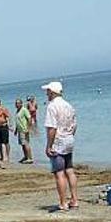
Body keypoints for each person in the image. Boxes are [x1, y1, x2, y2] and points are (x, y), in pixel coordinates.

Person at [43, 81, 79, 210]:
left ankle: (63, 202)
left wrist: (49, 145)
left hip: (58, 141)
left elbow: (52, 128)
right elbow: (74, 125)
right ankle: (74, 199)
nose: (46, 94)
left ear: (52, 92)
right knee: (69, 169)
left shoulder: (52, 106)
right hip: (69, 139)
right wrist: (70, 135)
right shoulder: (68, 105)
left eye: (47, 91)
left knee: (59, 173)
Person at [13, 98, 33, 163]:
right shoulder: (17, 111)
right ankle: (25, 157)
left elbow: (29, 119)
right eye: (16, 103)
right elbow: (18, 121)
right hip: (20, 130)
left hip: (24, 130)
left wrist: (28, 128)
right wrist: (16, 130)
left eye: (18, 103)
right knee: (22, 144)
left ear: (21, 104)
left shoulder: (24, 110)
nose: (17, 104)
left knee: (26, 144)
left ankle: (30, 158)